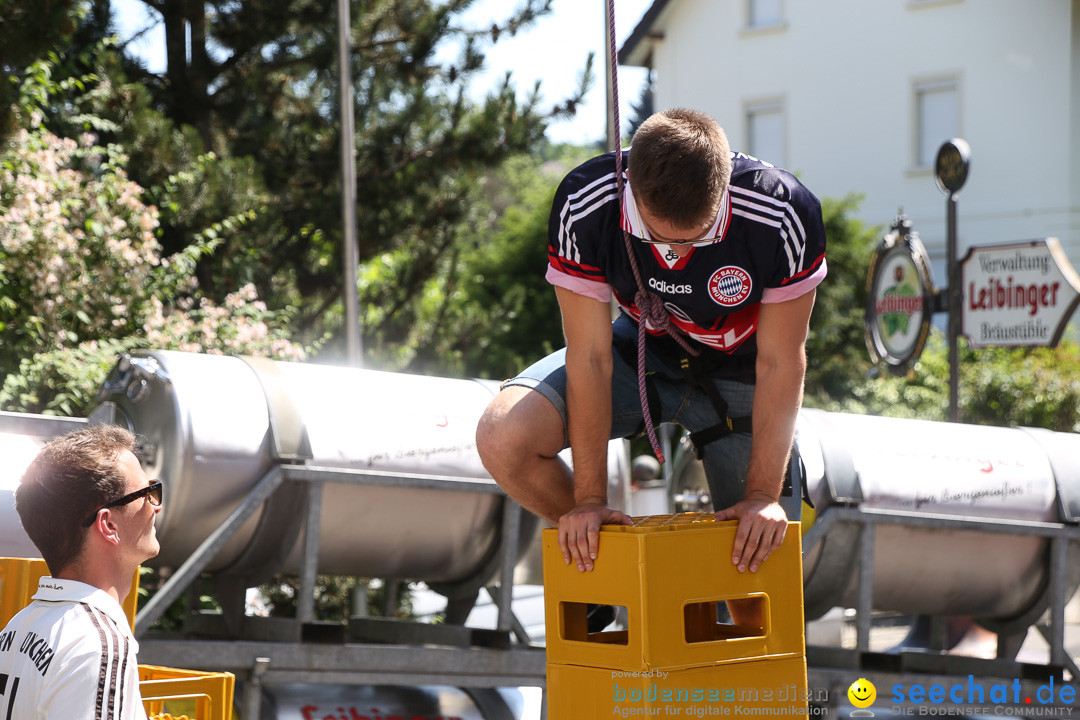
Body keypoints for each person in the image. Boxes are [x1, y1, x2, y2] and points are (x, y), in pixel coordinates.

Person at [476, 108, 826, 587]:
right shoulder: (587, 201)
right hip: (644, 352)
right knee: (503, 436)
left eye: (699, 238)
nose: (678, 255)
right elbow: (591, 359)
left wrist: (764, 494)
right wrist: (588, 502)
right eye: (657, 237)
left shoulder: (783, 211)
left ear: (723, 192)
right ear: (631, 194)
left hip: (746, 372)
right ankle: (617, 571)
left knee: (754, 582)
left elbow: (782, 360)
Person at [0, 424, 162, 720]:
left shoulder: (16, 629)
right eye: (147, 493)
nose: (156, 507)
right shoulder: (97, 645)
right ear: (108, 524)